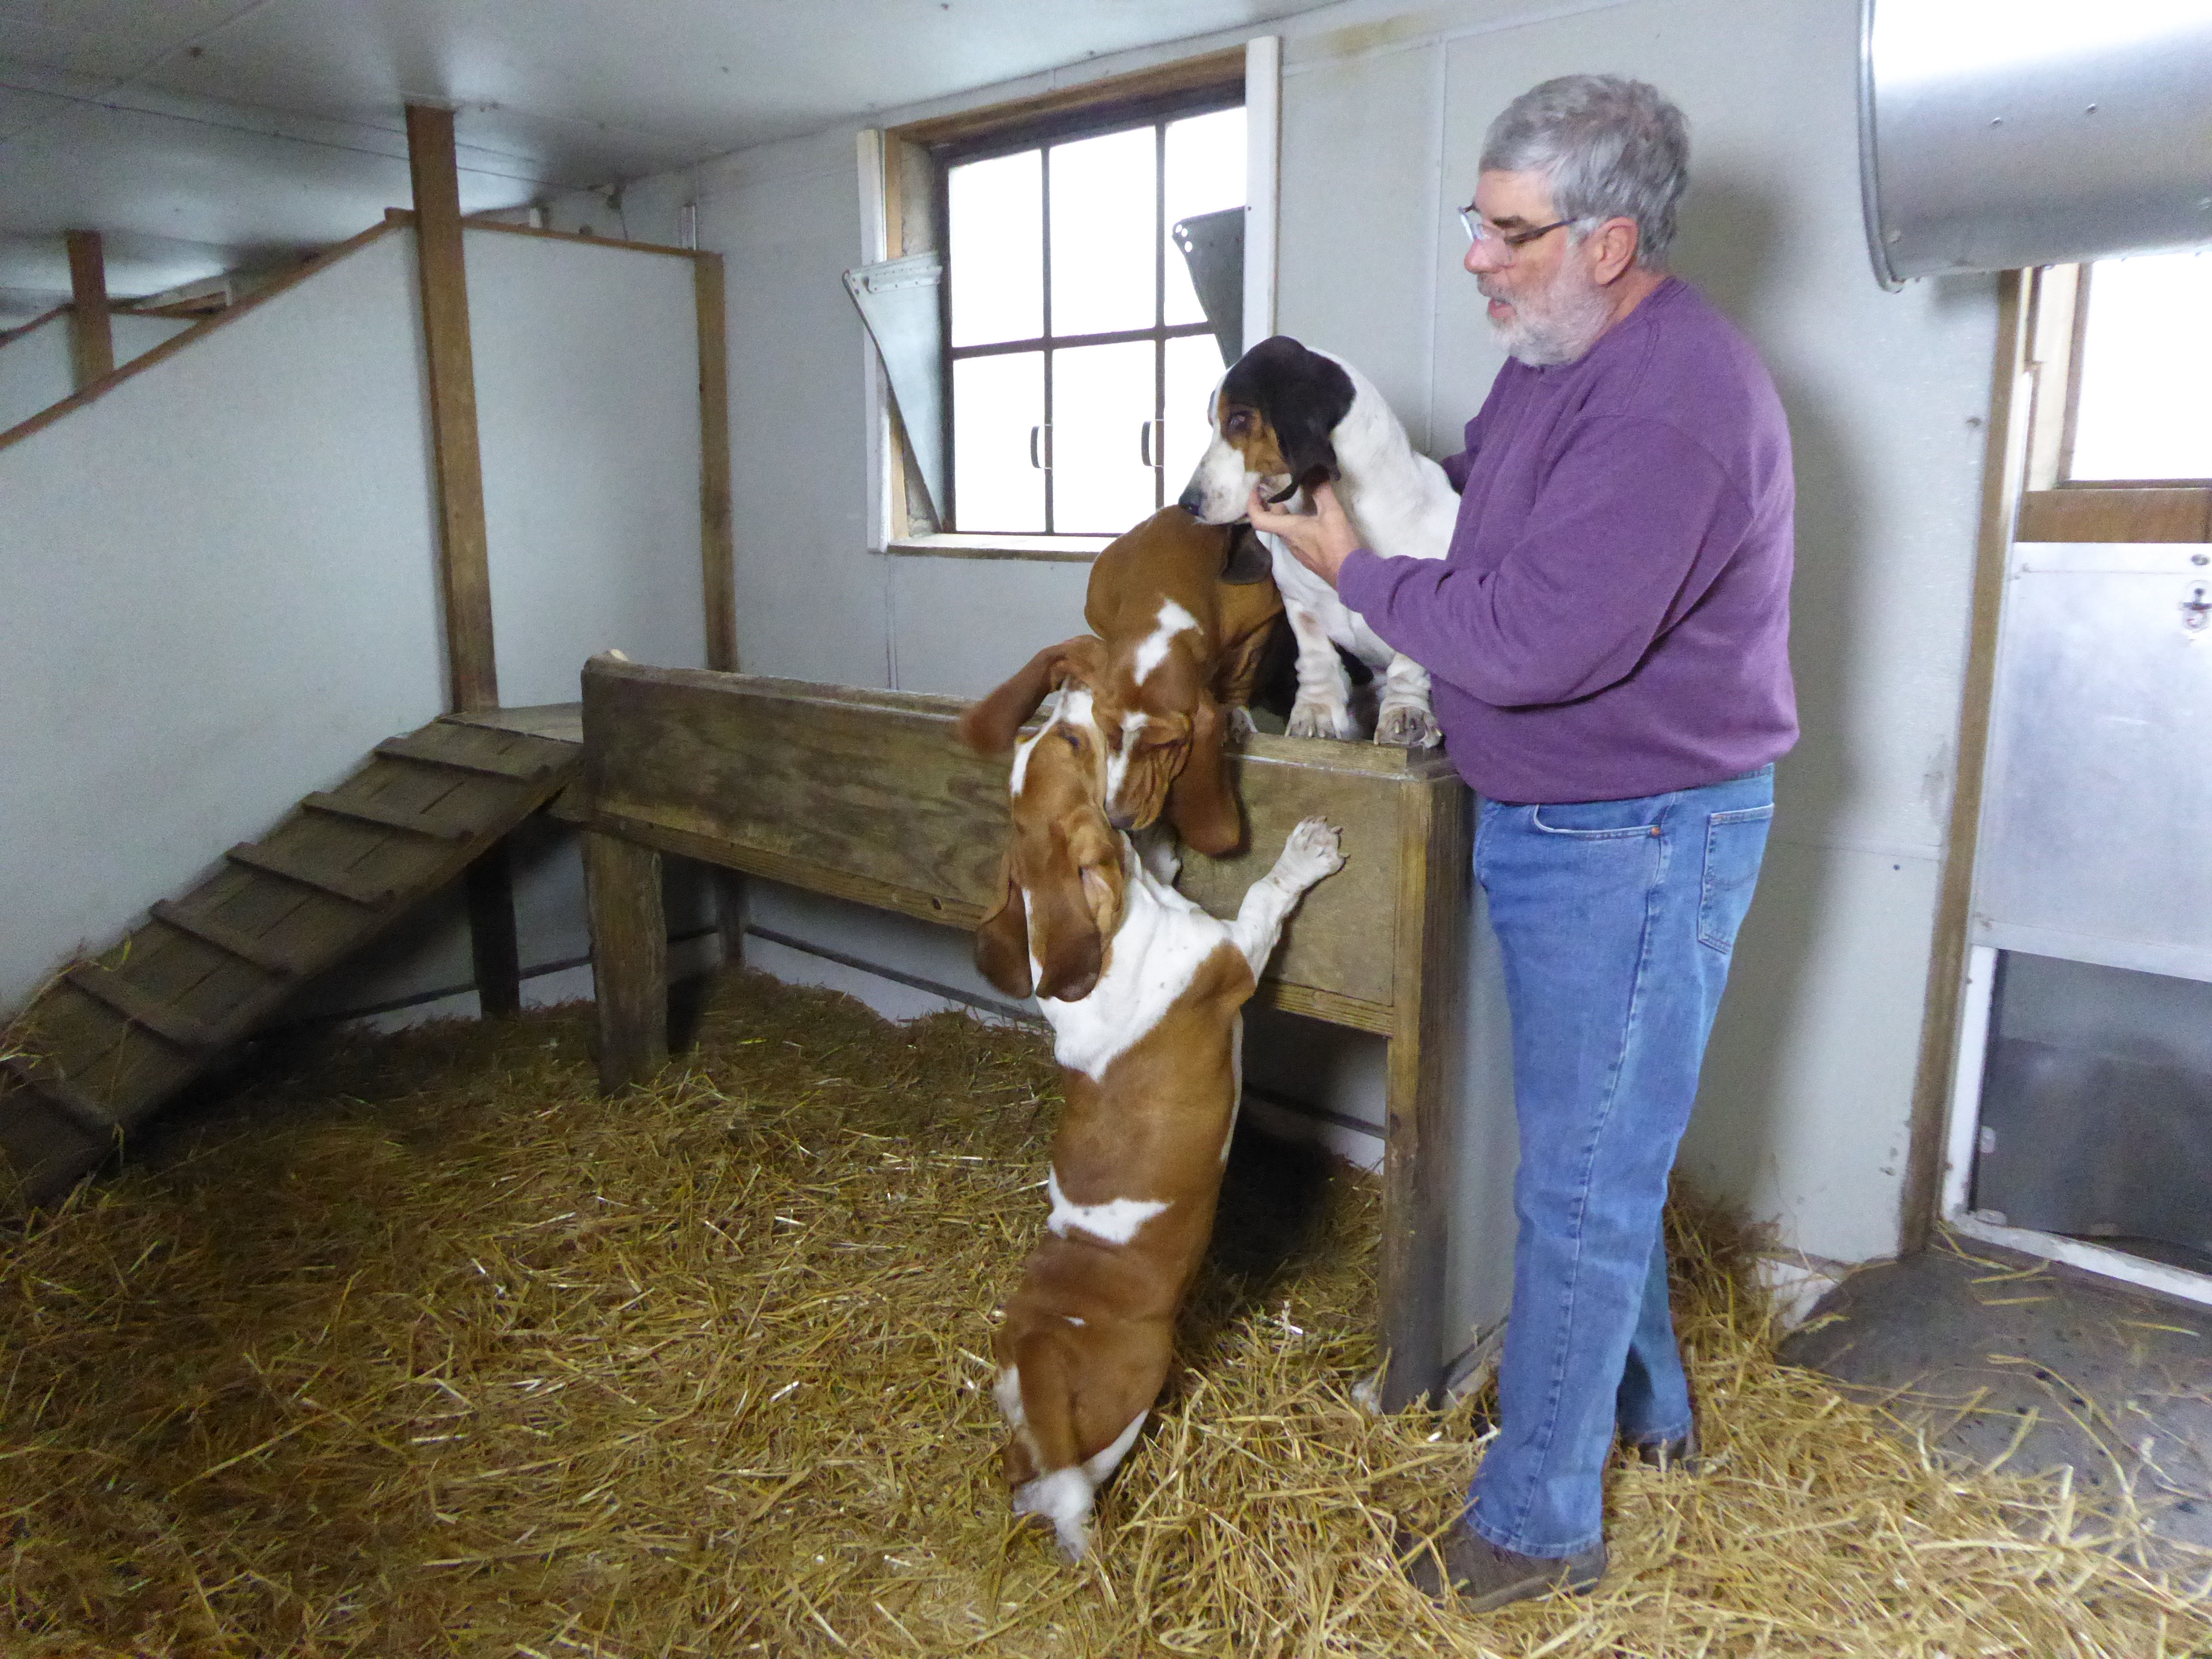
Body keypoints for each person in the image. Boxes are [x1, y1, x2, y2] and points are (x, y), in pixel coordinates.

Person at [1249, 74, 1797, 1612]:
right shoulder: (1556, 359)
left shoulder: (1678, 402)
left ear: (1610, 241)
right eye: (1473, 223)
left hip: (1637, 838)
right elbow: (1490, 520)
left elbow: (1535, 633)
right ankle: (1649, 1422)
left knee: (1577, 1187)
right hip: (1565, 825)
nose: (1475, 261)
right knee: (1595, 1153)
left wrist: (1353, 566)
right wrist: (1395, 499)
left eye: (1507, 233)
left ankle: (1537, 1531)